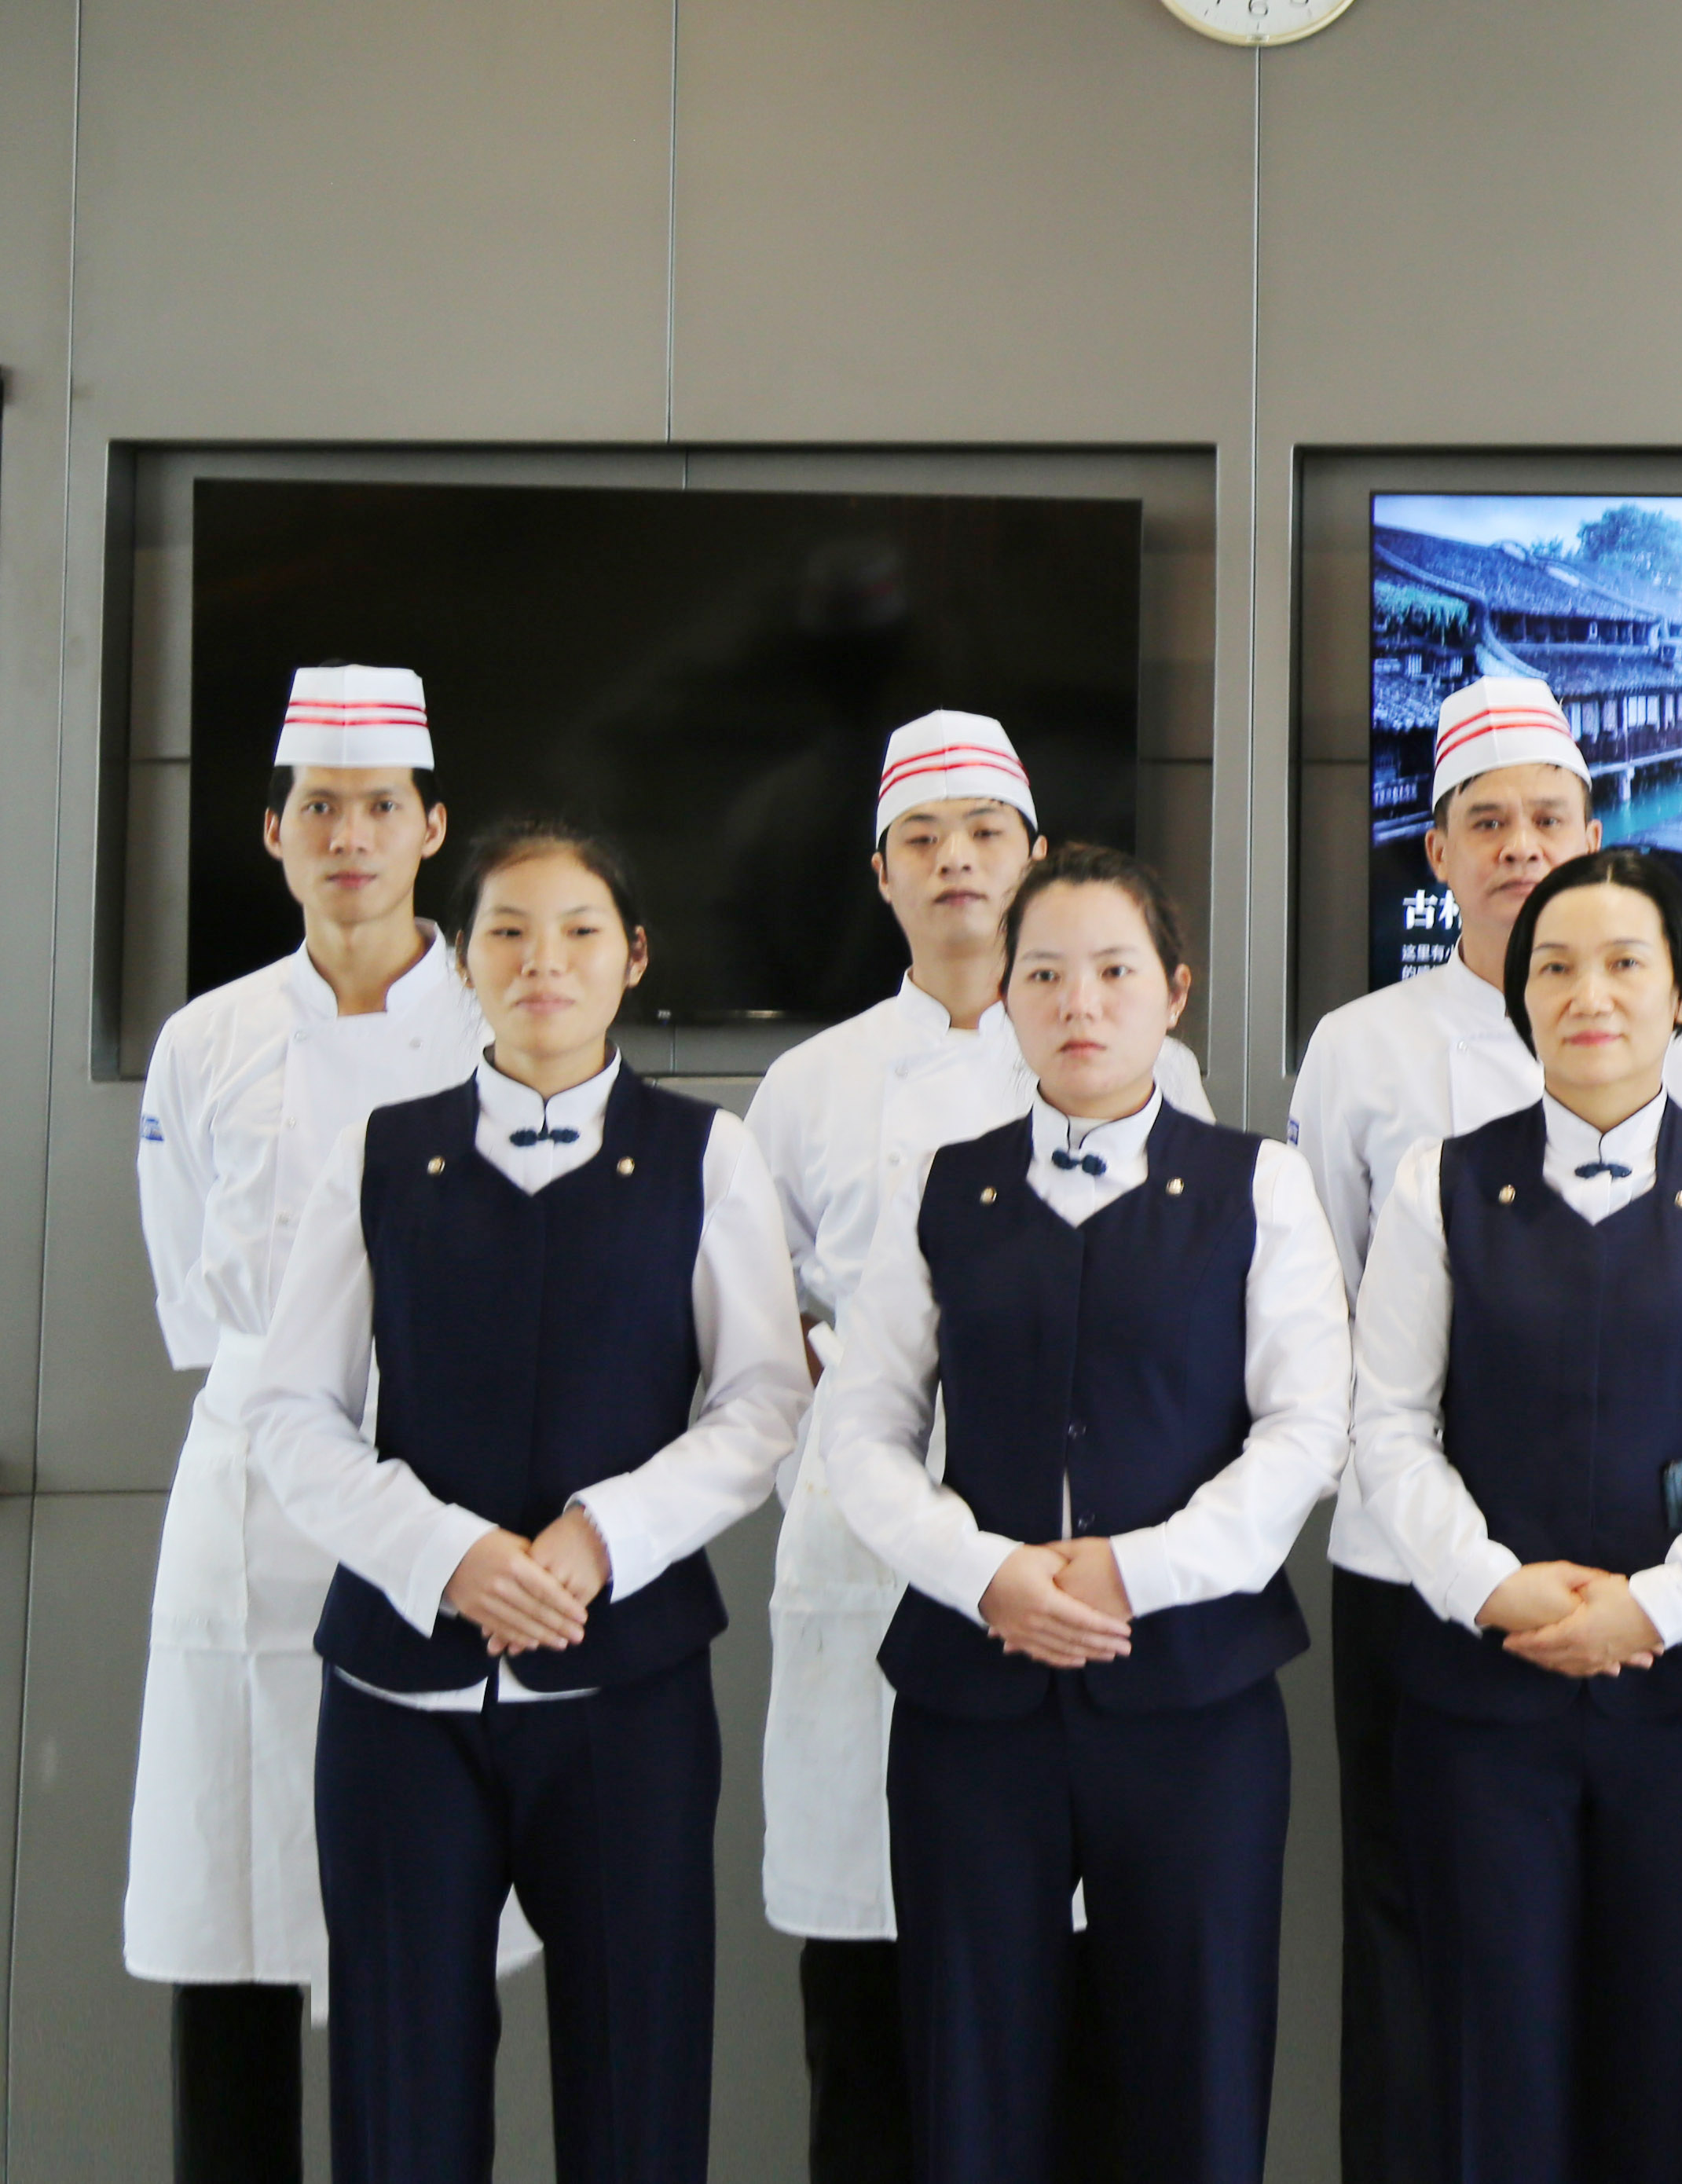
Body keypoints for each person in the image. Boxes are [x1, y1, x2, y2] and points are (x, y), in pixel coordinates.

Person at [240, 820, 809, 2184]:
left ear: (634, 958)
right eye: (506, 931)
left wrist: (605, 1537)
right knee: (400, 2091)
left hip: (628, 1694)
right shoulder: (381, 1154)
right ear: (463, 963)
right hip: (398, 1703)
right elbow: (291, 1410)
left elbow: (761, 1401)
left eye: (579, 932)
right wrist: (444, 1554)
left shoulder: (707, 1155)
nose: (541, 961)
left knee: (637, 2084)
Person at [813, 844, 1348, 2184]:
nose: (1079, 1003)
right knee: (973, 2070)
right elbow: (862, 1433)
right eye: (1044, 974)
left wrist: (1137, 1573)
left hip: (1197, 1697)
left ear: (1174, 991)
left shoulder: (1255, 1185)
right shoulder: (945, 1186)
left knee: (1195, 2070)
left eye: (1114, 970)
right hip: (972, 1699)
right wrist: (982, 1572)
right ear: (1004, 995)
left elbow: (1303, 1432)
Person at [1288, 677, 1682, 2181]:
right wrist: (1468, 1562)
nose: (1518, 846)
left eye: (1547, 817)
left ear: (1593, 831)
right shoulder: (1357, 1046)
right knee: (1413, 1946)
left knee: (1642, 1983)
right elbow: (1333, 1313)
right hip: (1410, 1571)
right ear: (1436, 854)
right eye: (1484, 823)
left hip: (1643, 1582)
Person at [740, 713, 1205, 2184]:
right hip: (865, 1571)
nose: (955, 861)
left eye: (985, 833)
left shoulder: (1143, 1066)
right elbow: (752, 1336)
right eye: (922, 838)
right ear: (879, 872)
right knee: (871, 2021)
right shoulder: (807, 1086)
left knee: (1071, 2013)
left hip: (1072, 1583)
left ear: (1035, 857)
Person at [1347, 847, 1682, 2184]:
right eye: (1554, 966)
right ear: (1520, 996)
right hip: (1479, 1708)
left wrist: (1655, 1608)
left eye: (1625, 962)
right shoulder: (1439, 1184)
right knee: (1491, 2083)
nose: (1588, 993)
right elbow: (1389, 1428)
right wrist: (1490, 1587)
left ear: (1681, 994)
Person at [127, 666, 490, 2184]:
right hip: (247, 1518)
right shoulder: (205, 1039)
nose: (351, 837)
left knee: (416, 1943)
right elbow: (191, 1295)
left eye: (380, 807)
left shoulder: (498, 1025)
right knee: (232, 1930)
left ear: (431, 829)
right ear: (273, 832)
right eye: (321, 808)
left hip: (435, 1511)